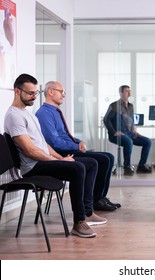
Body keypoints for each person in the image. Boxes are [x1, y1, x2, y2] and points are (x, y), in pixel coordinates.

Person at [3, 73, 107, 238]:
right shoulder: (13, 116)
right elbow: (30, 151)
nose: (34, 97)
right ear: (17, 91)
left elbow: (44, 145)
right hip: (32, 167)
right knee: (77, 168)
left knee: (91, 163)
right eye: (30, 93)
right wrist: (57, 160)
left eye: (36, 93)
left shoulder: (28, 113)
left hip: (42, 161)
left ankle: (88, 212)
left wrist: (60, 158)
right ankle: (79, 221)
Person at [36, 81, 121, 212]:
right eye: (61, 92)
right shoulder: (44, 114)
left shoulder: (55, 111)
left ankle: (100, 197)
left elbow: (64, 135)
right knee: (103, 160)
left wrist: (79, 141)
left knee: (109, 156)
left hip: (68, 148)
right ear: (51, 92)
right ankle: (96, 200)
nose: (63, 95)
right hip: (61, 152)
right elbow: (53, 142)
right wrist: (75, 146)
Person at [103, 85, 152, 176]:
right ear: (121, 93)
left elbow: (130, 120)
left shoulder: (130, 106)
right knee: (128, 142)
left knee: (147, 141)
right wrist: (114, 132)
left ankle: (141, 166)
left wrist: (134, 129)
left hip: (129, 133)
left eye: (130, 91)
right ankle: (127, 167)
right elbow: (106, 119)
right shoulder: (114, 105)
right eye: (126, 91)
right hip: (116, 135)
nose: (129, 93)